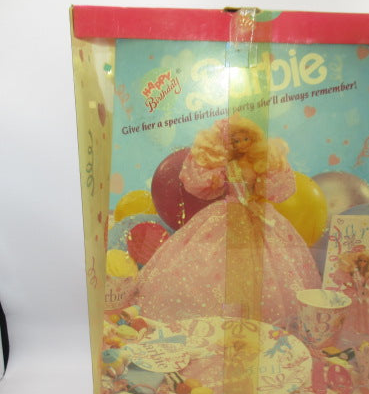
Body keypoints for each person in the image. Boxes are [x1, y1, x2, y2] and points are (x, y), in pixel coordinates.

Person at [125, 114, 322, 327]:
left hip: (258, 213)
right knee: (212, 261)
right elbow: (210, 186)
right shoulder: (228, 166)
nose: (241, 144)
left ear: (254, 140)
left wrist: (258, 192)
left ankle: (258, 316)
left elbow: (273, 188)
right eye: (235, 140)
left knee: (268, 260)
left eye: (245, 139)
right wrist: (216, 181)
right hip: (228, 214)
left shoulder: (258, 164)